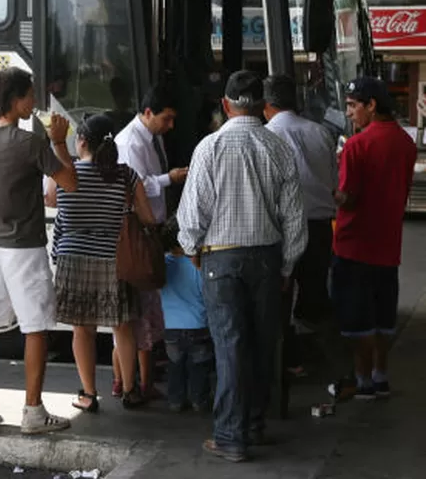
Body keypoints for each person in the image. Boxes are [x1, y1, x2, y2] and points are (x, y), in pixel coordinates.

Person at [177, 70, 307, 462]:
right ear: (261, 106)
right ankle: (253, 424)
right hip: (267, 259)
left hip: (221, 259)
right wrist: (287, 267)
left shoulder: (209, 147)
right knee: (262, 344)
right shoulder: (278, 147)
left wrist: (192, 249)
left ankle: (231, 436)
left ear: (226, 104)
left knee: (230, 346)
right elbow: (294, 220)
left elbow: (192, 214)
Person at [0, 67, 77, 435]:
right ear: (16, 100)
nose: (34, 103)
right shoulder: (31, 143)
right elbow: (69, 183)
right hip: (25, 248)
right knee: (35, 329)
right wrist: (59, 140)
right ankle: (32, 411)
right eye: (30, 96)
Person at [45, 113, 155, 412]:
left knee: (83, 329)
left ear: (81, 142)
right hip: (114, 257)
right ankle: (131, 391)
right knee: (122, 327)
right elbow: (148, 218)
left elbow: (51, 200)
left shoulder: (68, 173)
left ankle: (89, 394)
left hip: (74, 257)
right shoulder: (127, 175)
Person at [330, 77, 416, 400]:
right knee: (383, 318)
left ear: (372, 106)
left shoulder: (356, 145)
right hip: (388, 245)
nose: (349, 113)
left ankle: (362, 381)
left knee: (357, 320)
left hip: (354, 245)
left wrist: (330, 192)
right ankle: (381, 377)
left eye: (353, 106)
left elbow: (349, 197)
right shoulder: (405, 144)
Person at [113, 83, 186, 400]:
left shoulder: (151, 138)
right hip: (140, 230)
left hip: (150, 226)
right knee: (139, 314)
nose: (169, 126)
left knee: (143, 314)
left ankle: (134, 380)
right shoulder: (131, 142)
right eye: (166, 118)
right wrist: (170, 178)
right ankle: (134, 382)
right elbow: (137, 185)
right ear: (147, 113)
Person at [264, 75, 338, 375]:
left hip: (283, 227)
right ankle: (315, 355)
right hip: (320, 227)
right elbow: (332, 182)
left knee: (280, 293)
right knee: (314, 294)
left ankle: (287, 358)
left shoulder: (266, 135)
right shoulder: (321, 133)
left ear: (267, 105)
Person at [159, 216, 212, 413]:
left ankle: (175, 400)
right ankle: (200, 400)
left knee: (174, 365)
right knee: (199, 366)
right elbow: (205, 294)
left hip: (170, 328)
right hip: (198, 325)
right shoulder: (198, 265)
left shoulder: (162, 264)